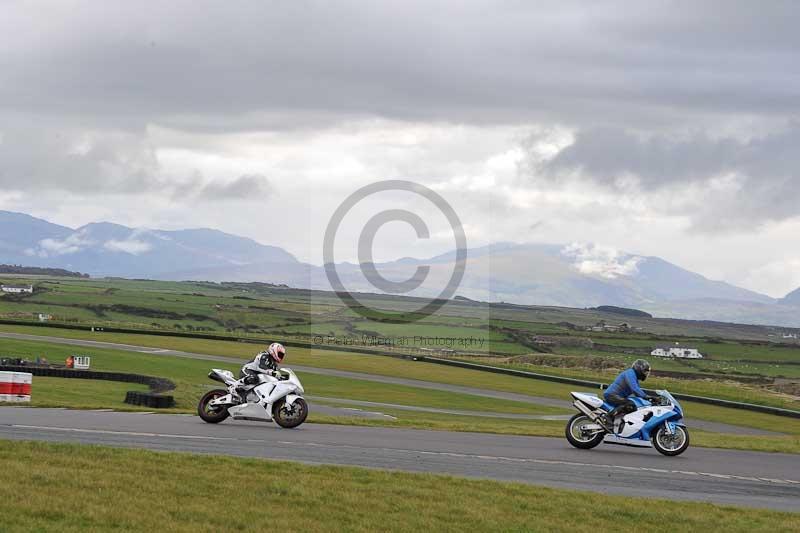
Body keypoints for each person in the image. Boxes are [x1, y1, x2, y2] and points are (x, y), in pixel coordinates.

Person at [602, 359, 657, 431]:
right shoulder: (630, 373)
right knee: (629, 404)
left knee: (635, 407)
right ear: (639, 368)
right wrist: (647, 397)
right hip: (612, 395)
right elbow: (635, 389)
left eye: (646, 372)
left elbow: (637, 392)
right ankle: (608, 417)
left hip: (617, 396)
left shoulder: (634, 377)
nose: (645, 374)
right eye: (644, 371)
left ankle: (620, 425)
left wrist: (650, 401)